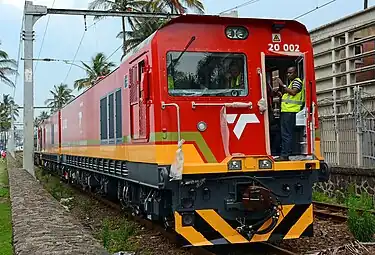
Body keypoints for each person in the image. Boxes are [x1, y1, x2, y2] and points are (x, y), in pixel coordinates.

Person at [273, 66, 304, 161]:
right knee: (285, 134)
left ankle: (285, 155)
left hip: (291, 111)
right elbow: (289, 95)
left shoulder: (297, 81)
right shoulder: (291, 83)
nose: (288, 74)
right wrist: (280, 94)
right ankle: (284, 154)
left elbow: (294, 92)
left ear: (295, 73)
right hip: (287, 111)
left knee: (286, 134)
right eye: (288, 73)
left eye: (291, 73)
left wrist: (282, 85)